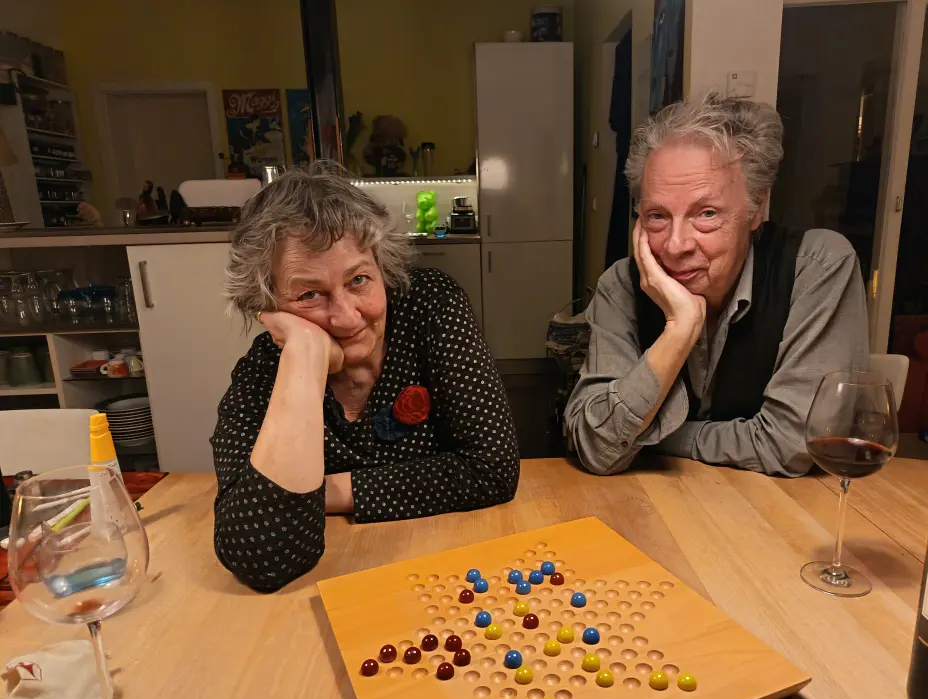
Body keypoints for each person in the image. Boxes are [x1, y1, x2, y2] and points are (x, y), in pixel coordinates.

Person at [211, 164, 520, 592]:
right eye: (309, 295)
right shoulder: (265, 373)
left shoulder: (430, 306)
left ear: (382, 265)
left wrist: (320, 494)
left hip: (450, 565)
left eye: (358, 280)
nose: (346, 315)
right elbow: (263, 558)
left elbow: (492, 470)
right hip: (336, 585)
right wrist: (304, 357)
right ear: (268, 305)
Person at [565, 94, 869, 477]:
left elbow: (792, 445)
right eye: (657, 216)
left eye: (706, 214)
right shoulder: (621, 286)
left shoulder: (818, 267)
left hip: (780, 514)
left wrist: (653, 437)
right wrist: (679, 331)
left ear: (757, 207)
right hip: (656, 509)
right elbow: (597, 448)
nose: (676, 246)